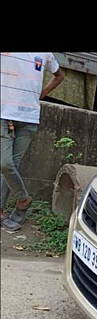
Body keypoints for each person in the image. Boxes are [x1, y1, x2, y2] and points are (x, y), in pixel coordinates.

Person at [1, 52, 65, 231]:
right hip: (4, 114)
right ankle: (24, 199)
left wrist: (43, 92)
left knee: (12, 165)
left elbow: (59, 75)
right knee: (5, 164)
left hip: (29, 117)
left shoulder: (46, 54)